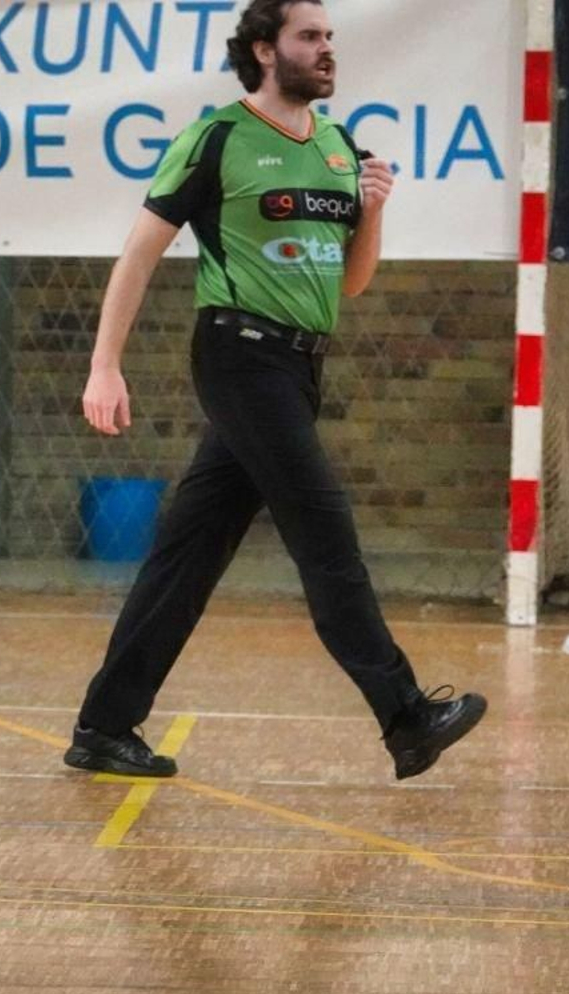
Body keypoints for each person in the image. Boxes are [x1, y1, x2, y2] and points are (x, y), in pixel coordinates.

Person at [64, 0, 486, 781]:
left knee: (188, 550)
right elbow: (138, 252)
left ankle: (104, 725)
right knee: (325, 532)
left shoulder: (336, 145)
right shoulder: (219, 138)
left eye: (331, 38)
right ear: (265, 49)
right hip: (239, 355)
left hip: (301, 367)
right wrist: (104, 364)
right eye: (311, 37)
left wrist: (373, 212)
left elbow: (353, 282)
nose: (328, 50)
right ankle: (406, 717)